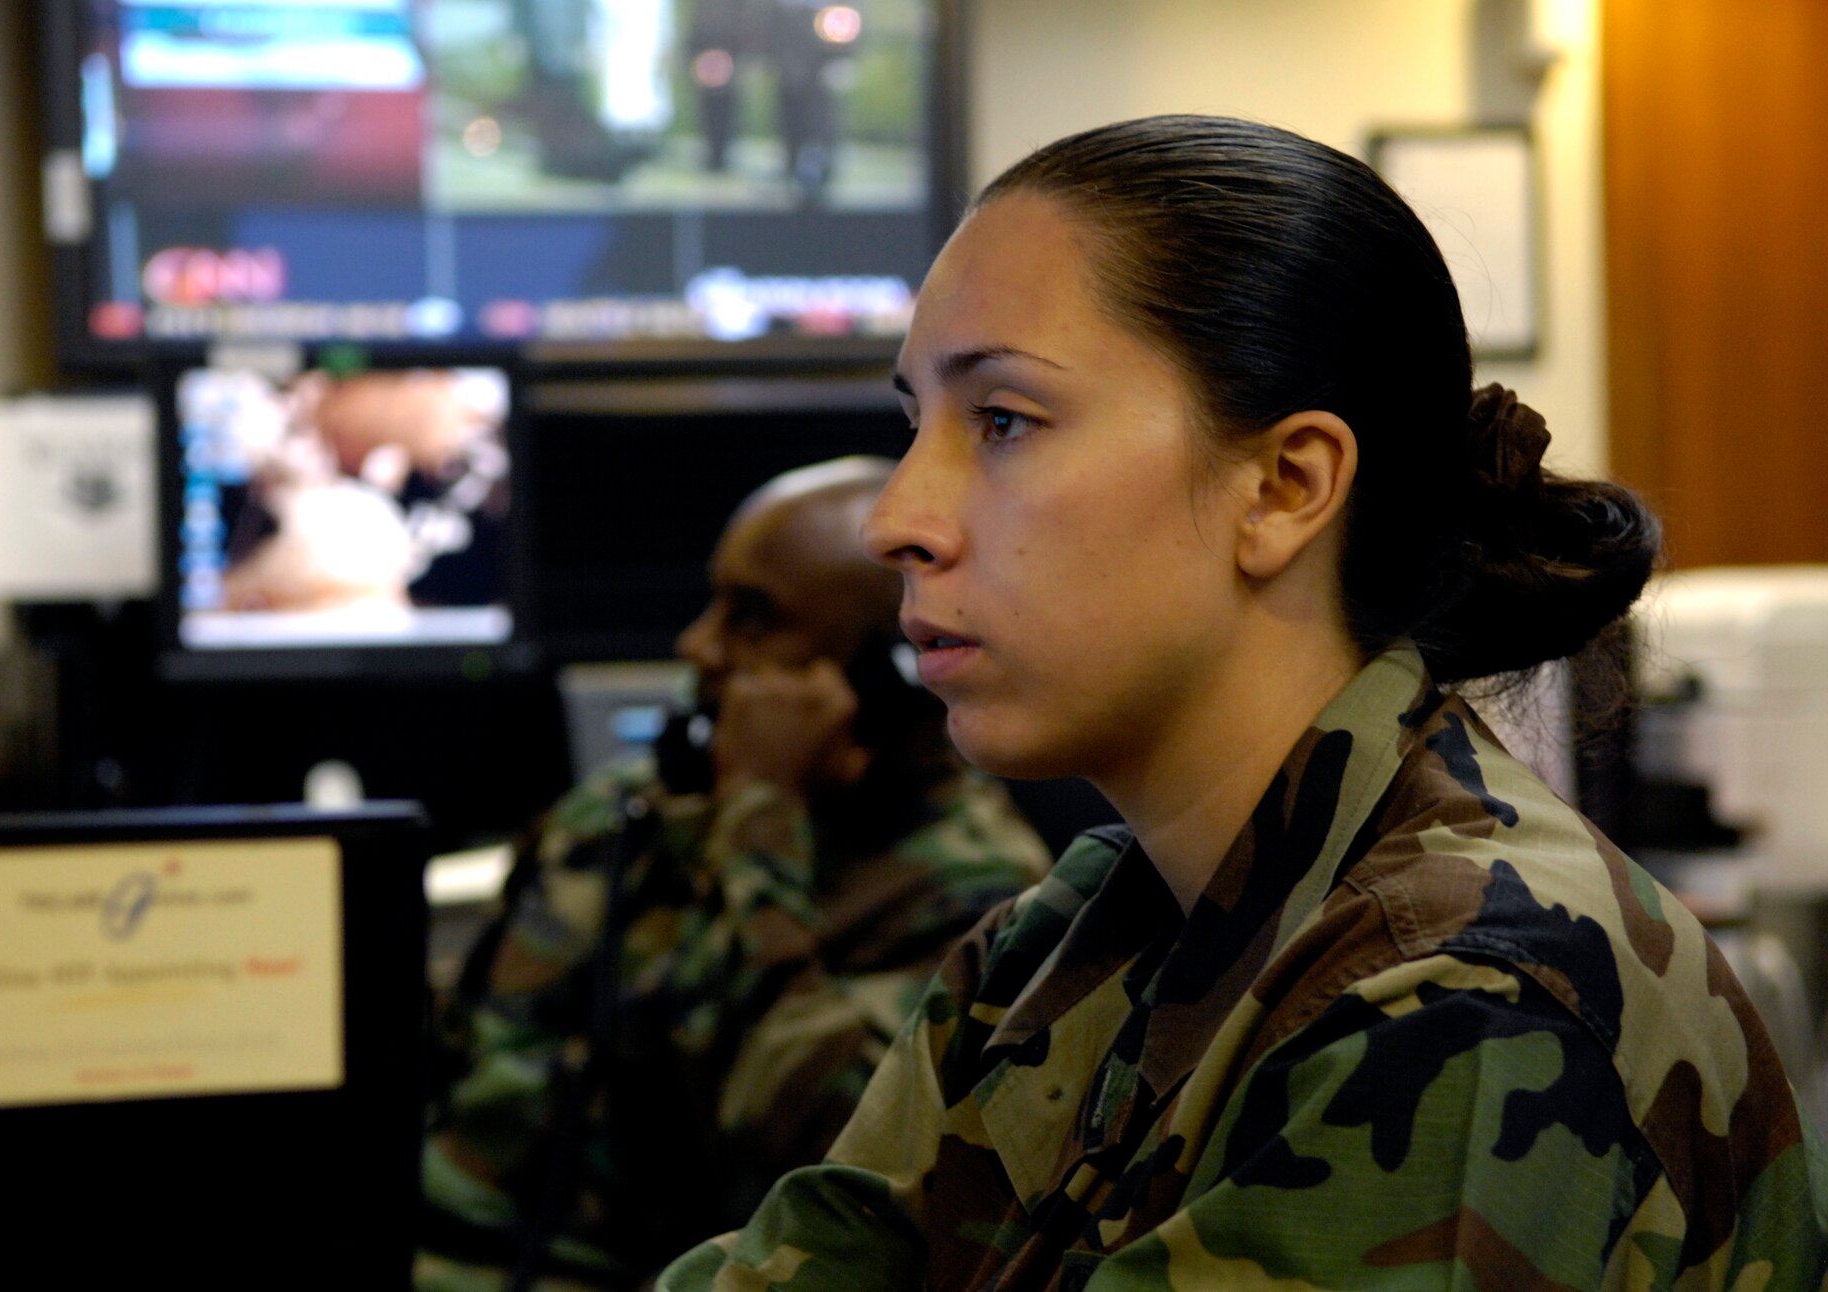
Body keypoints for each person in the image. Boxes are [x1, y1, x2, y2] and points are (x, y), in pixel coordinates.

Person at [658, 116, 1828, 1290]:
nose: (895, 519)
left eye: (1002, 420)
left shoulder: (1463, 994)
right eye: (916, 424)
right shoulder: (1071, 936)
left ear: (1282, 486)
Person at [418, 456, 1052, 1291]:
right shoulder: (632, 807)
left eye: (752, 619)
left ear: (881, 675)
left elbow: (811, 1163)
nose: (697, 645)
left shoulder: (974, 899)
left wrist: (761, 820)